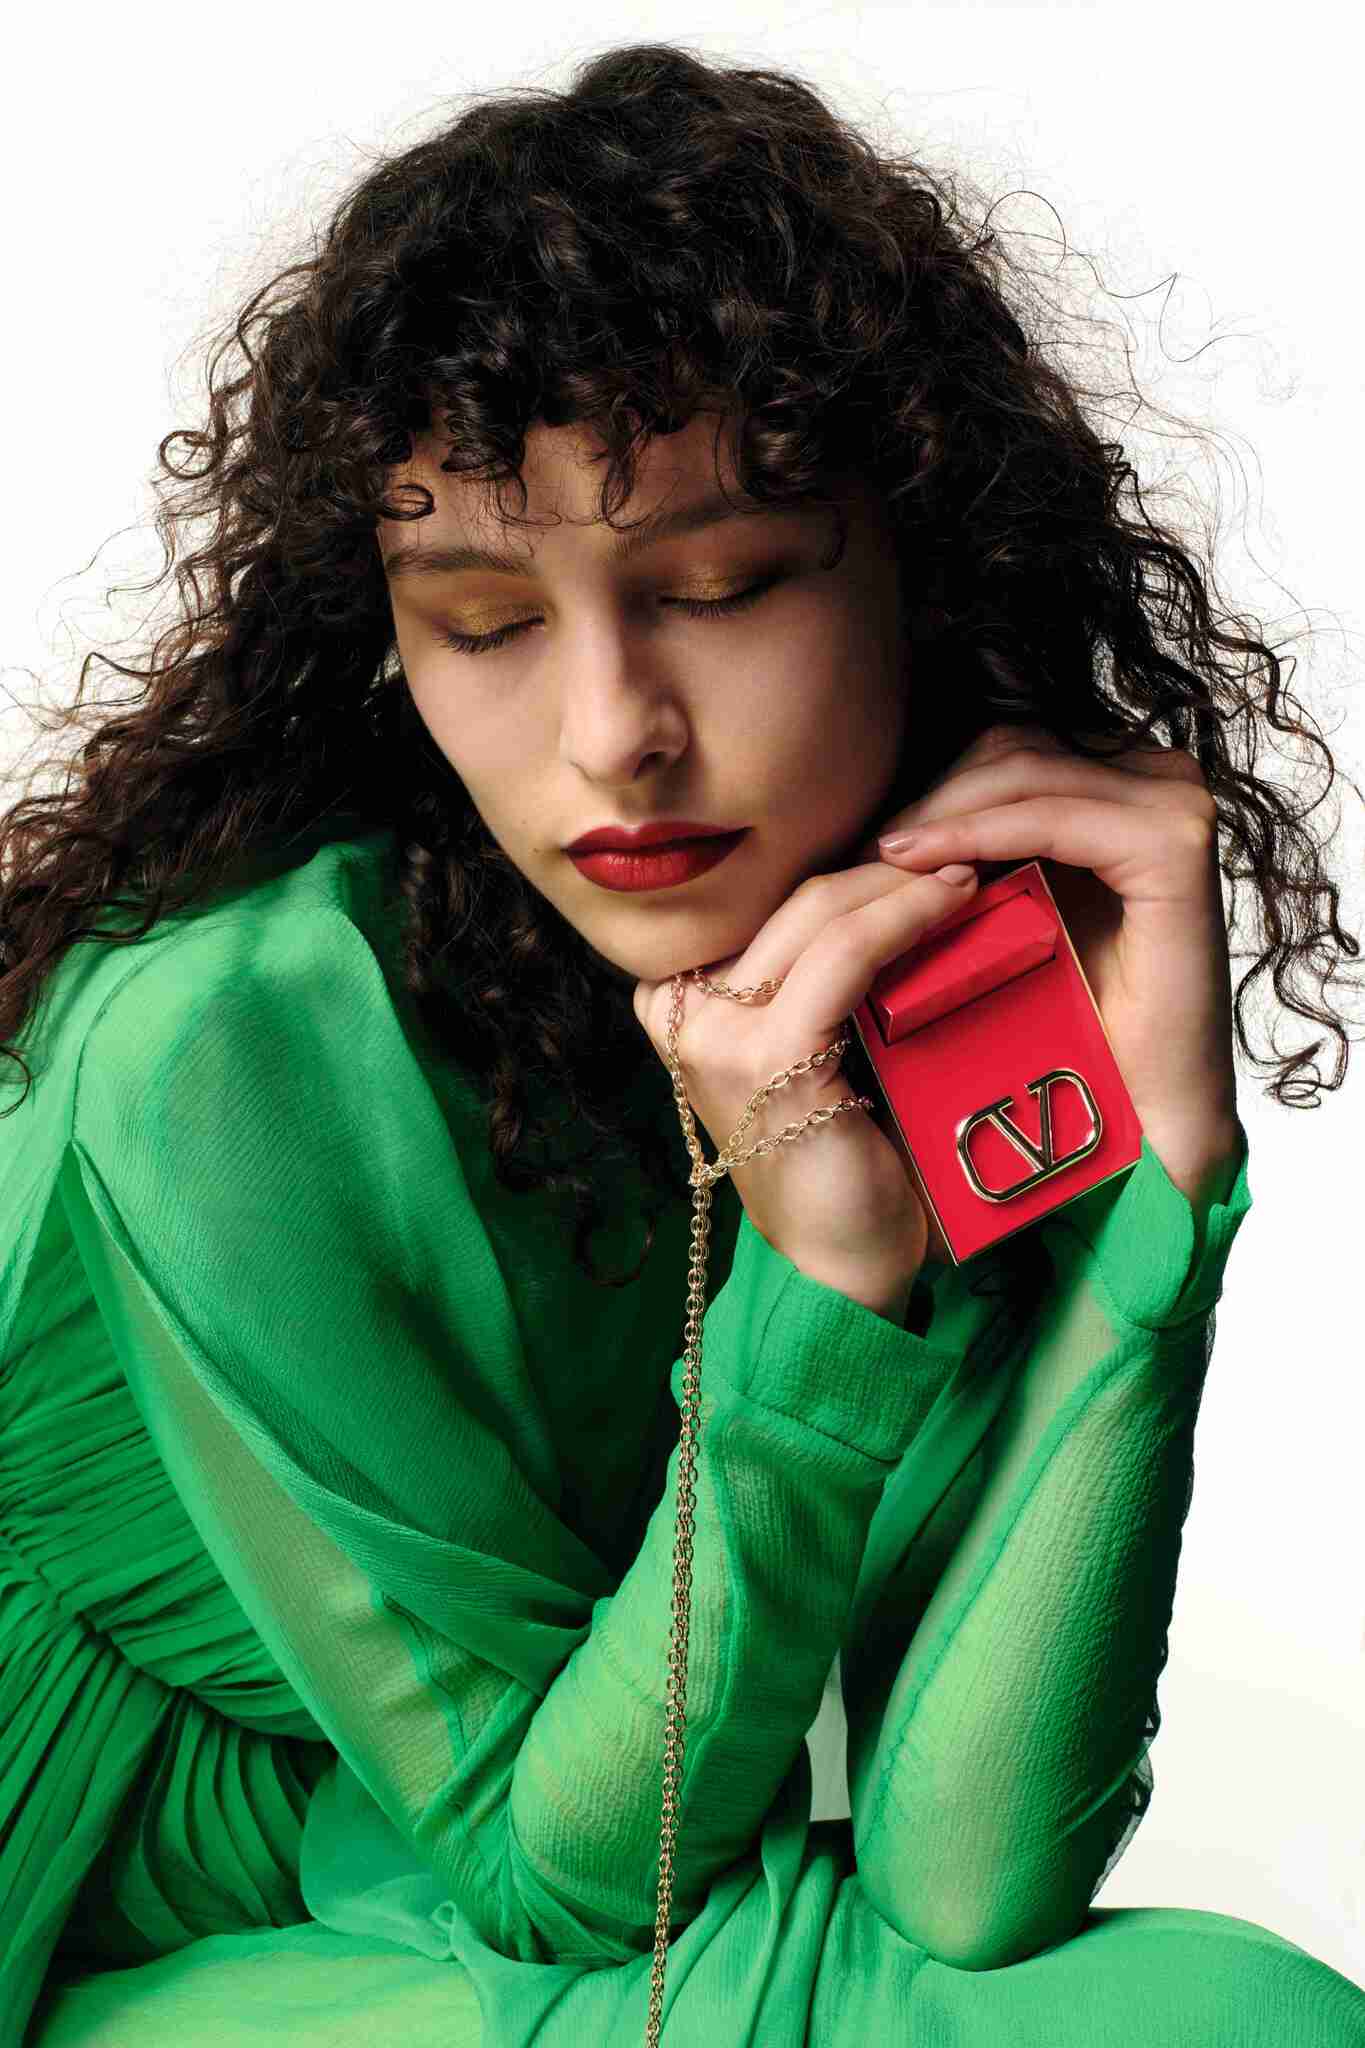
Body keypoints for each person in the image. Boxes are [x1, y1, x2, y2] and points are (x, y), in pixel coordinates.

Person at [1, 39, 1361, 2048]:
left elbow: (965, 1869)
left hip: (445, 1908)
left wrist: (1149, 1217)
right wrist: (825, 1287)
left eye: (716, 588)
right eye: (481, 620)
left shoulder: (884, 966)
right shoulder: (225, 1045)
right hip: (100, 1941)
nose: (610, 734)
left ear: (924, 562)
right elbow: (554, 1872)